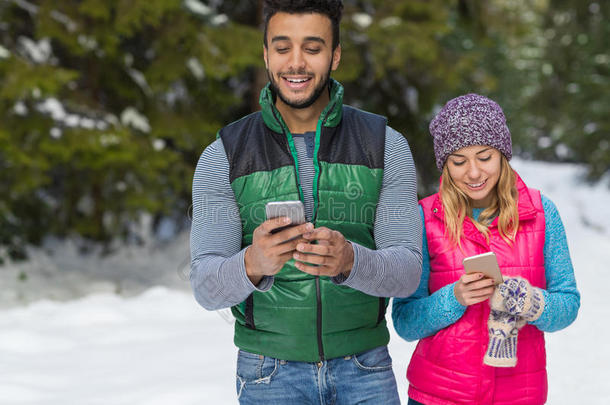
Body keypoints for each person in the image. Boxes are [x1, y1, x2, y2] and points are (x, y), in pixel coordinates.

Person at [189, 1, 422, 403]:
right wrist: (253, 263)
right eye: (282, 48)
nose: (295, 63)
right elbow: (206, 286)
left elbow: (407, 273)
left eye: (312, 48)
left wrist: (351, 261)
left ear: (335, 55)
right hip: (268, 374)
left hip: (364, 371)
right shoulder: (223, 155)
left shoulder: (385, 145)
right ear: (265, 54)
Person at [392, 93, 580, 405]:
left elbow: (568, 305)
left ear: (502, 154)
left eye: (484, 156)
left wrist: (532, 302)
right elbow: (405, 321)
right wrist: (454, 298)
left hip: (518, 396)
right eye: (459, 161)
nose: (474, 173)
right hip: (438, 396)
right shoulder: (424, 218)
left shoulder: (542, 213)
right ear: (445, 164)